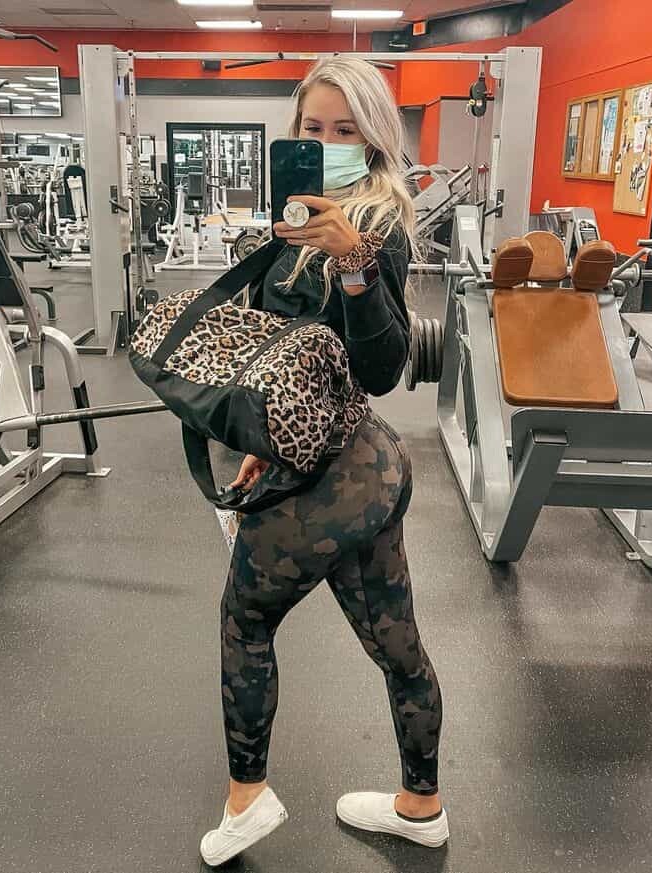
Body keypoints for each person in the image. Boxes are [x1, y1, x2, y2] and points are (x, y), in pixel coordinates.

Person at [200, 56, 446, 867]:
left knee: (244, 622)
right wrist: (254, 446)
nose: (328, 141)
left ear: (372, 140)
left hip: (330, 478)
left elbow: (381, 368)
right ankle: (421, 805)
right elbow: (281, 358)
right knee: (397, 646)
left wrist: (354, 263)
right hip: (357, 471)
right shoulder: (289, 219)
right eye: (313, 128)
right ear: (294, 131)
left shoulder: (377, 226)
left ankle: (247, 797)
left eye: (346, 130)